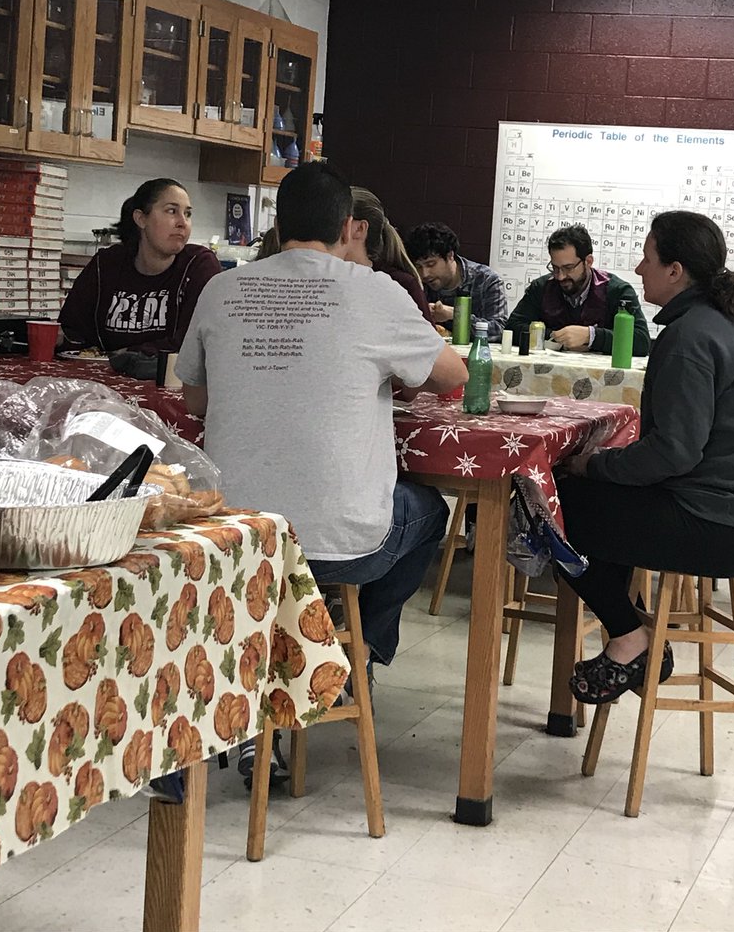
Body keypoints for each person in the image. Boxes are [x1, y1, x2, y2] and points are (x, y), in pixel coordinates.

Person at [176, 162, 467, 774]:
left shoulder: (222, 288)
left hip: (236, 545)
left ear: (277, 225)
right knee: (428, 513)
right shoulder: (375, 290)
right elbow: (452, 377)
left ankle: (268, 697)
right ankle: (353, 651)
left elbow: (196, 400)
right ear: (346, 226)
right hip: (345, 546)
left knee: (280, 554)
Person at [557, 210, 734, 705]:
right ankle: (632, 641)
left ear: (675, 270)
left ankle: (630, 638)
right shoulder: (722, 325)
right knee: (597, 507)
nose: (639, 269)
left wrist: (594, 464)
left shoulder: (689, 339)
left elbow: (673, 452)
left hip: (722, 523)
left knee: (549, 511)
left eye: (647, 257)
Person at [59, 178, 220, 354]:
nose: (182, 222)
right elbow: (72, 331)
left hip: (168, 379)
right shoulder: (106, 264)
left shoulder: (198, 265)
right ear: (141, 219)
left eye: (187, 214)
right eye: (172, 211)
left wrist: (128, 354)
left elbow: (193, 343)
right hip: (101, 376)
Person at [506, 223, 650, 354]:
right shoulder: (541, 287)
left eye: (568, 268)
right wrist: (557, 337)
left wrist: (591, 336)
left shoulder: (618, 291)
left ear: (588, 262)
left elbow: (641, 341)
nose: (560, 277)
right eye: (555, 268)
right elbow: (512, 328)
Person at [405, 222, 507, 341]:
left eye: (431, 264)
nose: (424, 274)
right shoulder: (415, 281)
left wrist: (456, 315)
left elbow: (499, 331)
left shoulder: (487, 280)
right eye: (418, 266)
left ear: (450, 256)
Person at [348, 187, 434, 323]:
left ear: (360, 228)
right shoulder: (324, 278)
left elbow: (430, 342)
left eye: (335, 221)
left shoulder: (401, 283)